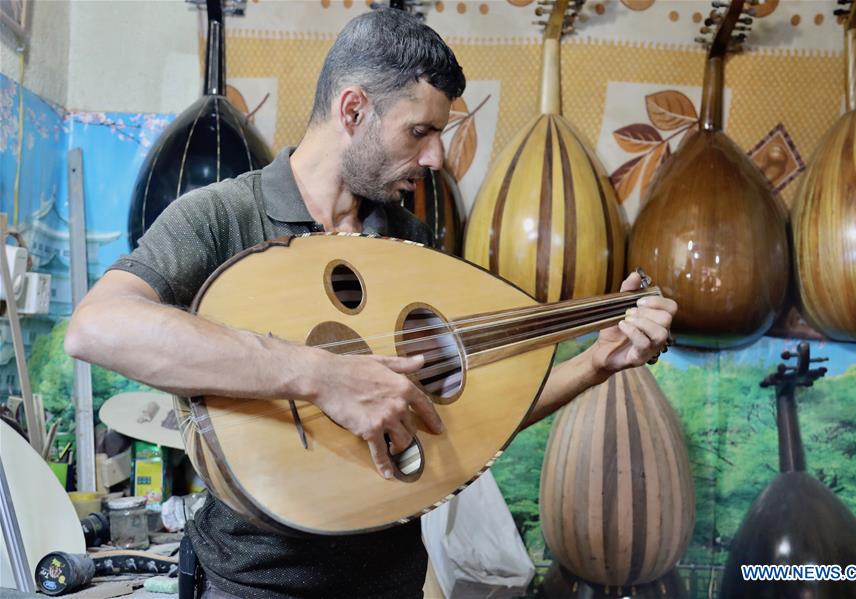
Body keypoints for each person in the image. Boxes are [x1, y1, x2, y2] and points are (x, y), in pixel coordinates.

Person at [65, 9, 677, 599]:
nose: (437, 158)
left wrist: (596, 362)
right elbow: (98, 327)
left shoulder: (408, 242)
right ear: (353, 109)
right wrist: (322, 375)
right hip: (252, 586)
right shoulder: (222, 215)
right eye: (421, 131)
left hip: (389, 583)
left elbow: (458, 420)